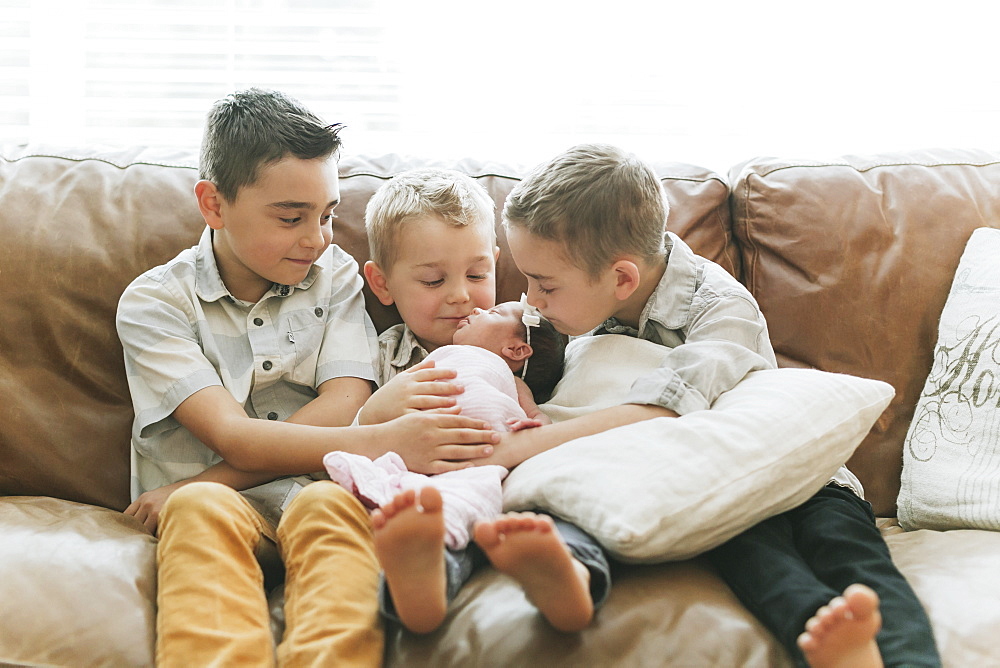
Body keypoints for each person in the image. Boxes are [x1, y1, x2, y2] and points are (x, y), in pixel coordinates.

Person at [498, 142, 941, 668]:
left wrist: (509, 451)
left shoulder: (718, 304)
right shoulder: (576, 307)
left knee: (851, 554)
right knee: (759, 563)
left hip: (806, 473)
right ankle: (835, 649)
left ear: (621, 278)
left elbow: (663, 409)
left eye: (543, 284)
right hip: (721, 486)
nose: (531, 299)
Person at [115, 89, 497, 667]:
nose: (317, 237)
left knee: (329, 508)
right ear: (213, 204)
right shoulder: (156, 303)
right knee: (197, 509)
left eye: (326, 214)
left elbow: (346, 399)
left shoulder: (335, 274)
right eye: (292, 218)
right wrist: (381, 441)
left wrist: (356, 441)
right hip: (216, 507)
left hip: (317, 490)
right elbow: (234, 436)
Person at [355, 168, 610, 634]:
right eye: (433, 280)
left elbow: (546, 409)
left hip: (510, 480)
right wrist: (378, 409)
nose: (460, 295)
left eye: (476, 274)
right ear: (382, 284)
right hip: (429, 488)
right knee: (432, 526)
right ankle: (420, 587)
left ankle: (568, 574)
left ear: (495, 263)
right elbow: (355, 431)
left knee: (565, 512)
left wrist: (536, 425)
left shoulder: (520, 338)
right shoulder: (380, 356)